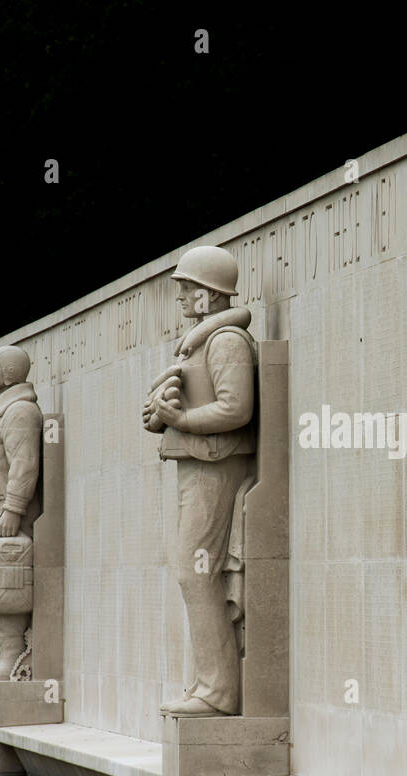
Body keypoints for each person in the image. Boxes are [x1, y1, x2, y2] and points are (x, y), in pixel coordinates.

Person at [146, 246, 256, 717]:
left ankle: (219, 692)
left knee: (197, 573)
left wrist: (183, 419)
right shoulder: (200, 343)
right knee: (192, 575)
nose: (182, 298)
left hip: (216, 468)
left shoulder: (226, 341)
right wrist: (160, 416)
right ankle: (207, 684)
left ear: (208, 297)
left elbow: (236, 409)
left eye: (186, 290)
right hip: (195, 466)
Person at [0, 344, 43, 681]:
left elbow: (25, 465)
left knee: (7, 580)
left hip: (9, 511)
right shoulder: (4, 411)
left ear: (11, 373)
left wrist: (13, 510)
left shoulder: (20, 412)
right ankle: (7, 654)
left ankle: (13, 657)